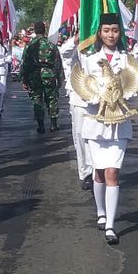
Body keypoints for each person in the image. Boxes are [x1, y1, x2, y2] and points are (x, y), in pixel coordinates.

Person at [76, 13, 138, 245]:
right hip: (96, 121)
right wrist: (91, 97)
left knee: (113, 171)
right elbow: (79, 86)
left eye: (115, 30)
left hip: (120, 122)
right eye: (106, 30)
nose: (111, 35)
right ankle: (100, 212)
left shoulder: (127, 59)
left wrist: (127, 95)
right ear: (99, 33)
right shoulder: (89, 60)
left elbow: (137, 83)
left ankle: (111, 225)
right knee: (99, 172)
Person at [61, 33, 94, 190]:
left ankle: (97, 169)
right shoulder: (77, 48)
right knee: (80, 136)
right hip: (79, 98)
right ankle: (86, 172)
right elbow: (64, 52)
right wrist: (75, 40)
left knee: (97, 136)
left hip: (99, 98)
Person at [20, 21, 64, 133]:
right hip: (49, 74)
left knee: (37, 99)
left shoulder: (30, 45)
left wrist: (24, 79)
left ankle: (41, 125)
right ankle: (54, 124)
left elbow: (25, 63)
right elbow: (57, 62)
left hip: (35, 75)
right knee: (52, 99)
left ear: (35, 30)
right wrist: (59, 78)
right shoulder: (51, 45)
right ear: (44, 30)